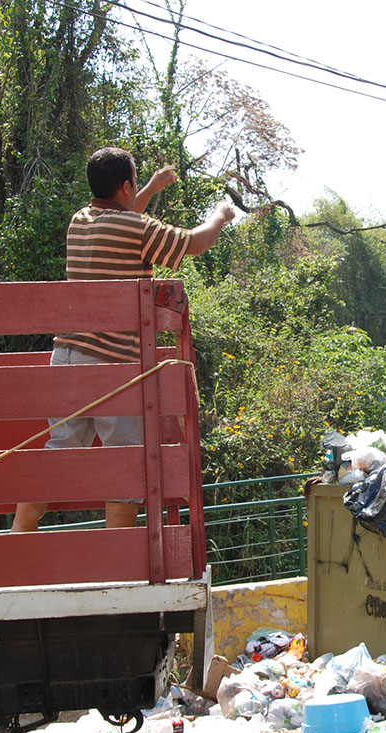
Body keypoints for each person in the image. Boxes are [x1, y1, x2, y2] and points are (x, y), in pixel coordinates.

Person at [12, 147, 236, 532]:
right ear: (125, 186)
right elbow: (195, 242)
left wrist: (149, 187)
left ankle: (16, 539)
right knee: (126, 462)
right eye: (136, 180)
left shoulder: (80, 222)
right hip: (113, 366)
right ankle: (120, 561)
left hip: (66, 357)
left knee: (60, 453)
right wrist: (222, 213)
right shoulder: (137, 230)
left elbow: (125, 219)